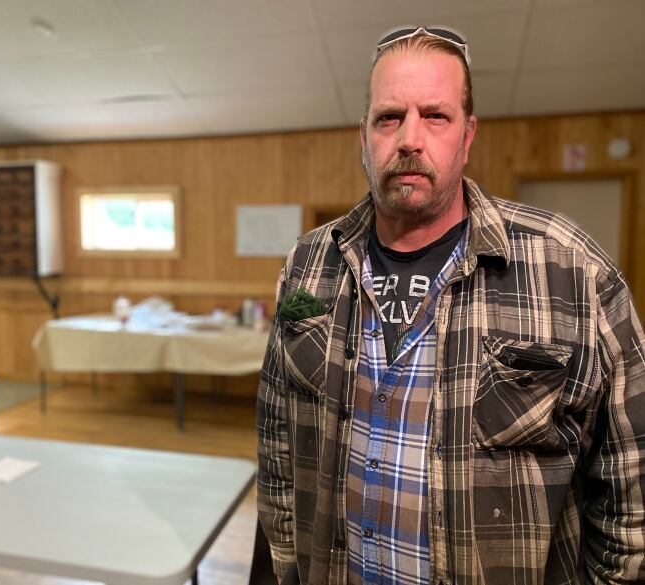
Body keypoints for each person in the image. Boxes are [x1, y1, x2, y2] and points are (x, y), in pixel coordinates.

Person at [256, 26, 645, 585]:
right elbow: (276, 437)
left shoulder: (570, 270)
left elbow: (630, 486)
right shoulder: (308, 264)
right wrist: (288, 565)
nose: (409, 138)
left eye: (435, 116)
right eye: (389, 117)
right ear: (363, 137)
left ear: (467, 137)